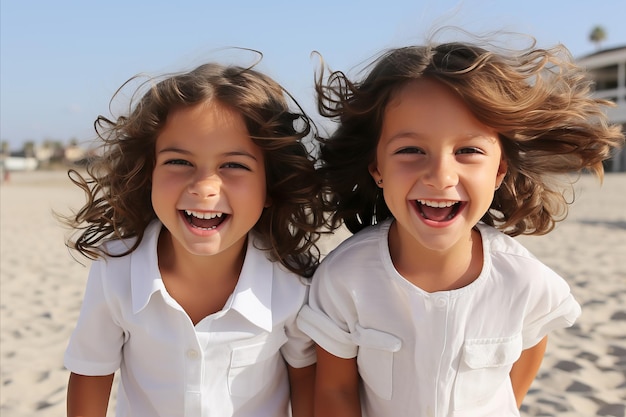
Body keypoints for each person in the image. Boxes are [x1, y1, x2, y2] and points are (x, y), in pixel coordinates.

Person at [297, 36, 625, 417]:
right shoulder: (344, 279)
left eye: (468, 151)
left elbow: (528, 354)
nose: (440, 176)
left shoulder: (524, 279)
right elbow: (335, 391)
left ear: (500, 170)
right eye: (410, 150)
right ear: (377, 168)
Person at [61, 60, 326, 416]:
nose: (204, 187)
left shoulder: (294, 282)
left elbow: (306, 385)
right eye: (179, 162)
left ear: (271, 187)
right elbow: (91, 372)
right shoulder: (116, 269)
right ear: (148, 172)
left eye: (233, 165)